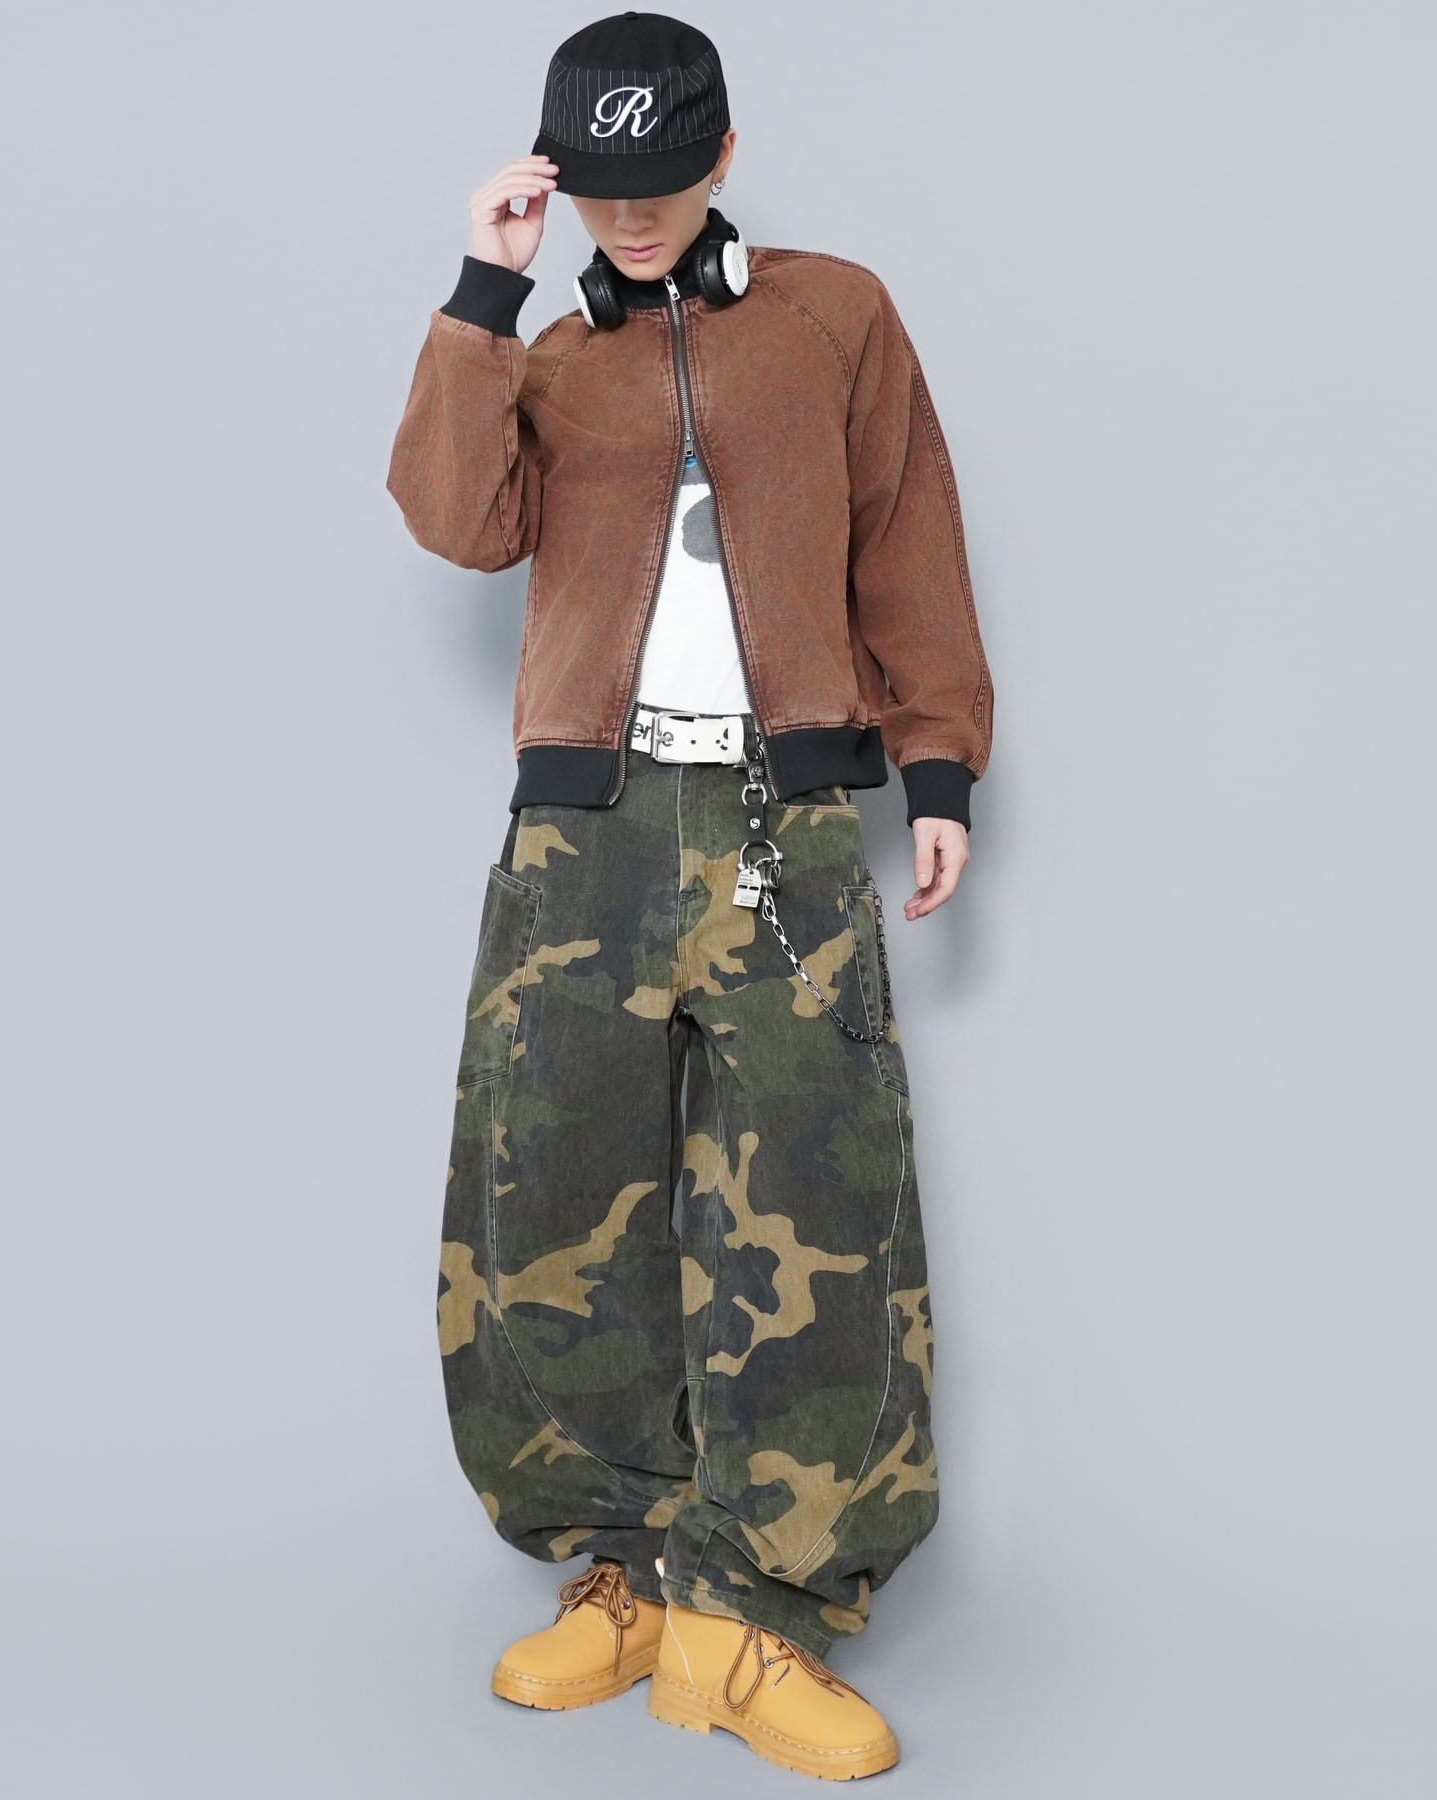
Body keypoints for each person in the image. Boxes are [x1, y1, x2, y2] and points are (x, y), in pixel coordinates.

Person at [385, 10, 994, 1781]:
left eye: (661, 177)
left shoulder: (834, 316)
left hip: (783, 826)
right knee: (551, 1192)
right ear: (559, 178)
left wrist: (936, 764)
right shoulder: (545, 347)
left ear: (723, 155)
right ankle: (626, 1574)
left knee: (818, 1204)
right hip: (587, 829)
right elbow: (452, 520)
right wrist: (483, 290)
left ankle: (757, 1611)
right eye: (601, 184)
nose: (633, 215)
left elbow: (910, 535)